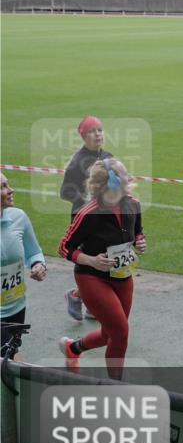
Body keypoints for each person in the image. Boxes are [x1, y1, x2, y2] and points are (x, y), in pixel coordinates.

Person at [57, 159, 145, 379]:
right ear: (113, 182)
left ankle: (73, 348)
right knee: (121, 333)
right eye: (125, 174)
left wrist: (140, 241)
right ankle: (116, 387)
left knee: (111, 334)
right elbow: (64, 247)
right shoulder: (88, 213)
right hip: (92, 278)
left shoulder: (133, 204)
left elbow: (137, 233)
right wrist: (91, 260)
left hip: (123, 276)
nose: (130, 177)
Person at [60, 115, 113, 321]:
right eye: (92, 131)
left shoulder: (108, 156)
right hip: (84, 219)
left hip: (106, 217)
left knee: (105, 258)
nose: (98, 134)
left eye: (100, 130)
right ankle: (76, 296)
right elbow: (65, 192)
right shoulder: (77, 162)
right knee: (91, 259)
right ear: (84, 136)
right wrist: (88, 199)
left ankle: (88, 302)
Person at [1, 173, 46, 360]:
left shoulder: (19, 217)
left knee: (10, 355)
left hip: (17, 306)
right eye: (3, 187)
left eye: (8, 184)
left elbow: (34, 251)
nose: (11, 190)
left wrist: (38, 263)